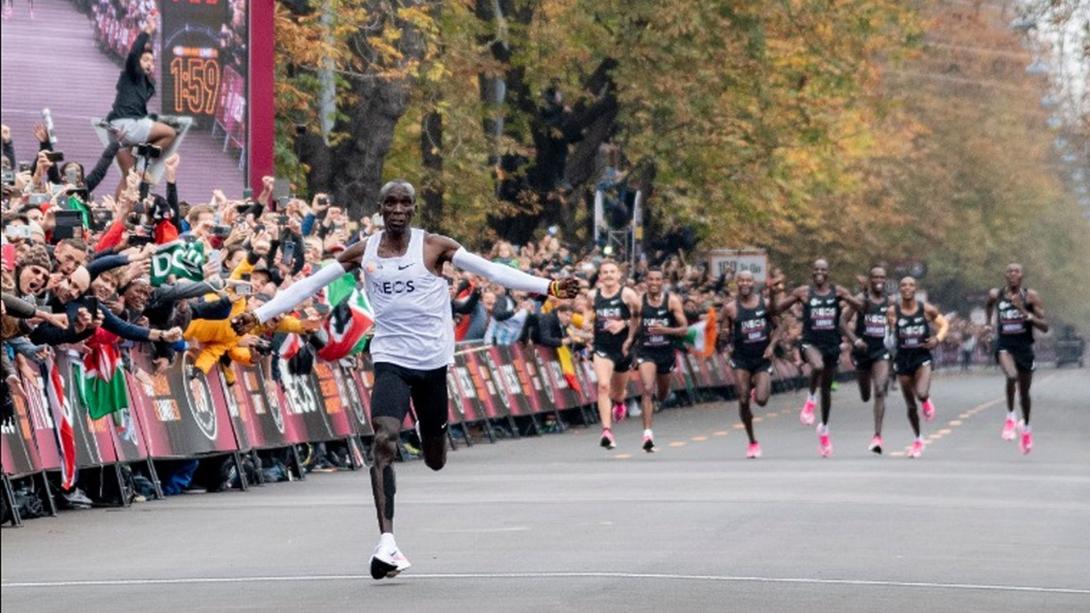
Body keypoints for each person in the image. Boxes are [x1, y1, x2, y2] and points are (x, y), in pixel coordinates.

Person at [231, 180, 578, 580]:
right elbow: (310, 285)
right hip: (391, 358)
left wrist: (546, 287)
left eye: (405, 203)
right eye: (390, 203)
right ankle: (387, 543)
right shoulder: (364, 251)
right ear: (380, 208)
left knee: (434, 458)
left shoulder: (433, 246)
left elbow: (492, 270)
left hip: (432, 363)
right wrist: (258, 316)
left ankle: (433, 444)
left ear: (413, 209)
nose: (397, 209)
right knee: (383, 440)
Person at [775, 259, 863, 457]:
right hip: (809, 342)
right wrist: (773, 294)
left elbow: (860, 306)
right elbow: (777, 309)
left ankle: (824, 429)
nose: (819, 272)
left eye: (823, 269)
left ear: (828, 273)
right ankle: (810, 398)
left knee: (827, 391)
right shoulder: (803, 293)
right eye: (816, 270)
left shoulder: (837, 291)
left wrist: (858, 294)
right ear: (812, 272)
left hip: (831, 344)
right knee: (817, 366)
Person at [103, 14, 177, 197]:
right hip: (127, 124)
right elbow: (134, 52)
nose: (149, 64)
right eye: (145, 60)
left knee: (129, 177)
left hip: (115, 131)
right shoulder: (132, 73)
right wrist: (148, 31)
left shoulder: (145, 83)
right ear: (138, 62)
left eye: (152, 61)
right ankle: (144, 161)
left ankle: (116, 215)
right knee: (170, 133)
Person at [985, 263, 1048, 454]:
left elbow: (1044, 325)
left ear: (1022, 276)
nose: (1013, 274)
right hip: (1004, 345)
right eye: (1009, 271)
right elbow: (989, 306)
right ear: (1005, 275)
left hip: (1024, 347)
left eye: (1017, 271)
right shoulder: (996, 295)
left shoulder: (1030, 296)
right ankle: (1010, 417)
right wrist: (989, 326)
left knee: (1025, 394)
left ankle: (1026, 429)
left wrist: (1024, 312)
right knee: (1011, 376)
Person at [719, 270, 777, 459]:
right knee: (743, 399)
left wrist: (772, 345)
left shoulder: (765, 304)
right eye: (741, 280)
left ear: (753, 283)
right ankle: (752, 441)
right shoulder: (730, 308)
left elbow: (779, 327)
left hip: (761, 358)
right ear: (737, 283)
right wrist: (725, 344)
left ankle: (756, 388)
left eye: (748, 280)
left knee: (761, 400)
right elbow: (723, 335)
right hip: (741, 359)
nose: (745, 283)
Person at [888, 276, 948, 458]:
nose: (907, 288)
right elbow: (888, 339)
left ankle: (926, 400)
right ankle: (918, 438)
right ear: (900, 289)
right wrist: (891, 330)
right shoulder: (892, 311)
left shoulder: (926, 309)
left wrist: (937, 339)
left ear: (915, 289)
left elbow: (944, 324)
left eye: (911, 285)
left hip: (922, 357)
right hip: (902, 359)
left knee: (921, 393)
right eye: (903, 285)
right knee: (910, 405)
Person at [585, 260, 641, 449]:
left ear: (619, 275)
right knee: (602, 386)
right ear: (600, 276)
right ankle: (607, 431)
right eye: (605, 272)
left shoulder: (628, 294)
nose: (608, 275)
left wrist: (623, 325)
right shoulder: (593, 295)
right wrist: (586, 322)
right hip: (602, 348)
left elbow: (640, 318)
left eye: (612, 272)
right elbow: (586, 310)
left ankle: (619, 403)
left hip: (623, 349)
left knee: (617, 393)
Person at [633, 268, 687, 452]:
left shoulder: (671, 301)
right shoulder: (639, 301)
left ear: (662, 281)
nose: (654, 283)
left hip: (666, 352)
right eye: (651, 279)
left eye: (658, 279)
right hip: (645, 351)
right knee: (647, 388)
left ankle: (658, 399)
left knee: (662, 394)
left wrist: (666, 331)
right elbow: (632, 324)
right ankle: (647, 434)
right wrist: (626, 341)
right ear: (646, 281)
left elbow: (684, 329)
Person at [840, 266, 893, 454]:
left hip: (880, 351)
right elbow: (842, 322)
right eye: (875, 277)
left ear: (885, 280)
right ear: (870, 280)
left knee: (880, 390)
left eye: (882, 277)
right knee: (865, 396)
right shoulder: (861, 300)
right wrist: (855, 340)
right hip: (862, 352)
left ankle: (877, 436)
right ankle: (865, 387)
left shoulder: (889, 301)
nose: (879, 280)